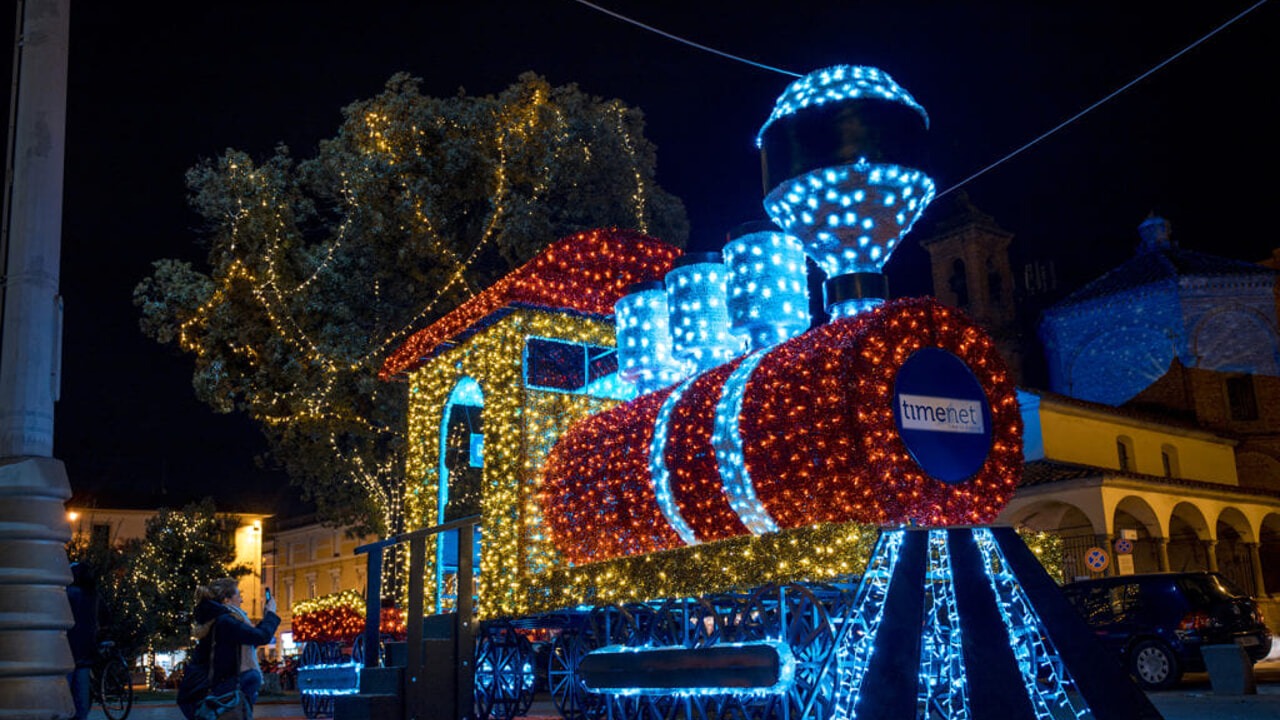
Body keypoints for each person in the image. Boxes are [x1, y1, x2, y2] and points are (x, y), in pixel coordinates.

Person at [178, 578, 279, 720]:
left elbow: (250, 640)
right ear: (226, 600)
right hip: (219, 689)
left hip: (204, 688)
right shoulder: (225, 621)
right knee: (252, 678)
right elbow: (261, 637)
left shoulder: (217, 619)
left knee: (251, 679)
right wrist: (270, 614)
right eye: (238, 595)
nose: (241, 600)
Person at [65, 562, 99, 720]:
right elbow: (106, 616)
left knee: (65, 694)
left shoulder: (68, 593)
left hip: (66, 650)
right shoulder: (93, 595)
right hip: (85, 651)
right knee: (81, 698)